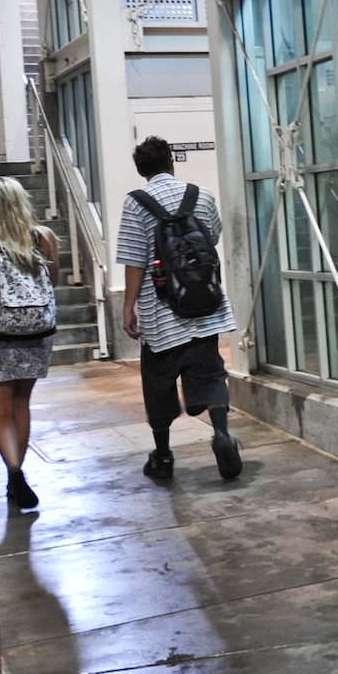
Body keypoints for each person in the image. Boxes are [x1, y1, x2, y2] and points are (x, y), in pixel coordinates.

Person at [115, 136, 241, 481]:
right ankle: (221, 432)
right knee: (210, 374)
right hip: (205, 309)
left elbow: (134, 260)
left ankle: (163, 454)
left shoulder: (136, 204)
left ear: (142, 171)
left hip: (162, 318)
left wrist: (129, 308)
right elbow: (211, 237)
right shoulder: (201, 195)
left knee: (158, 384)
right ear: (172, 162)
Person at [0, 177, 59, 510]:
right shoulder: (43, 238)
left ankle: (13, 470)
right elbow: (50, 284)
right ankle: (16, 477)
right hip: (35, 334)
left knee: (1, 410)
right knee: (22, 404)